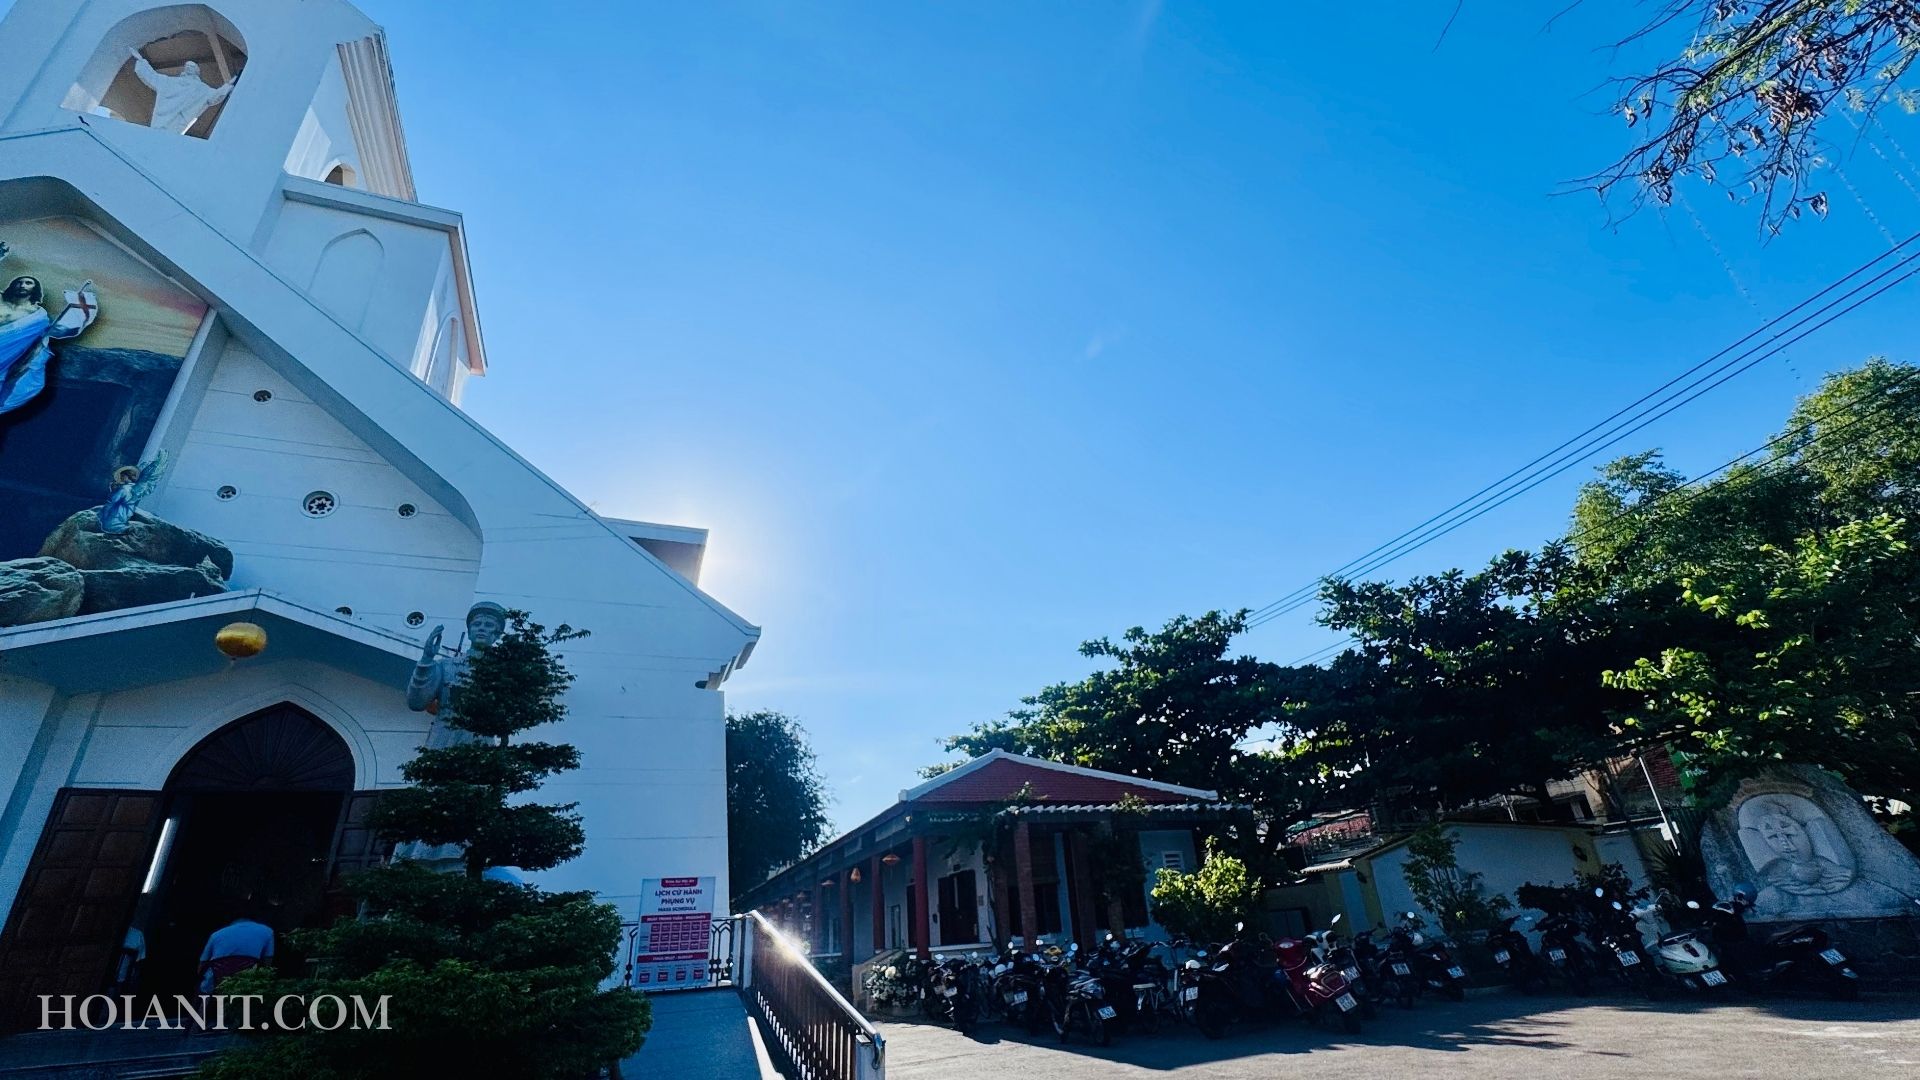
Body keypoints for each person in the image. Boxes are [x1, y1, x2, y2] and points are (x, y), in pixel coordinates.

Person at [128, 48, 233, 134]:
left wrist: (228, 86)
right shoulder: (171, 82)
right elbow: (151, 77)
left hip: (171, 124)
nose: (189, 68)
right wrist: (141, 60)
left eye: (191, 67)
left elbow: (215, 96)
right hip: (164, 123)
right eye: (188, 67)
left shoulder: (200, 89)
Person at [197, 907, 274, 993]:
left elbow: (202, 965)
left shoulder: (216, 935)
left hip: (216, 985)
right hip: (248, 984)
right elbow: (268, 963)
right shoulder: (267, 931)